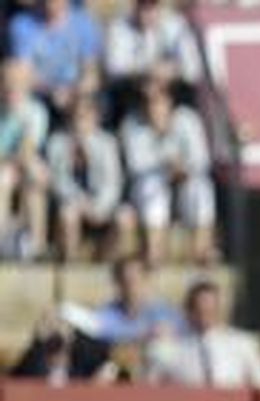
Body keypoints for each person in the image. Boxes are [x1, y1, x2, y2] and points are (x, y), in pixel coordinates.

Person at [120, 78, 215, 264]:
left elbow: (201, 159)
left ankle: (202, 250)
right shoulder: (132, 124)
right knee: (151, 187)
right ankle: (154, 252)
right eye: (148, 101)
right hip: (150, 184)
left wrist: (182, 168)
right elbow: (135, 164)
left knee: (201, 187)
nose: (153, 107)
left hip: (184, 179)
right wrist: (166, 166)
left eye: (158, 101)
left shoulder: (187, 119)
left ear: (169, 101)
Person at [47, 96, 133, 262]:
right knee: (68, 214)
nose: (80, 121)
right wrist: (81, 203)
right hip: (74, 203)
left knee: (125, 217)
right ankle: (71, 261)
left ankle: (104, 261)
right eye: (76, 116)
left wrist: (98, 207)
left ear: (95, 117)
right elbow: (59, 181)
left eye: (85, 116)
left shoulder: (107, 143)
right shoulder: (57, 142)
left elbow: (113, 182)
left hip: (102, 205)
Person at [146, 280, 260, 387]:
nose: (205, 315)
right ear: (189, 311)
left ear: (219, 309)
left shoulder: (243, 343)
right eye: (199, 310)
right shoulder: (169, 349)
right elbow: (150, 389)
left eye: (210, 310)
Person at [7, 0, 102, 118]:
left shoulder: (84, 23)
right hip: (39, 95)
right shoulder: (22, 24)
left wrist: (75, 92)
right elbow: (22, 74)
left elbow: (91, 72)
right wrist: (53, 91)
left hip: (76, 94)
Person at [0, 57, 49, 259]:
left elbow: (27, 149)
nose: (12, 89)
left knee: (35, 177)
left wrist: (13, 162)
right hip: (5, 167)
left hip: (22, 164)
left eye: (17, 85)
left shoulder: (36, 111)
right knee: (2, 178)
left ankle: (37, 245)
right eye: (7, 84)